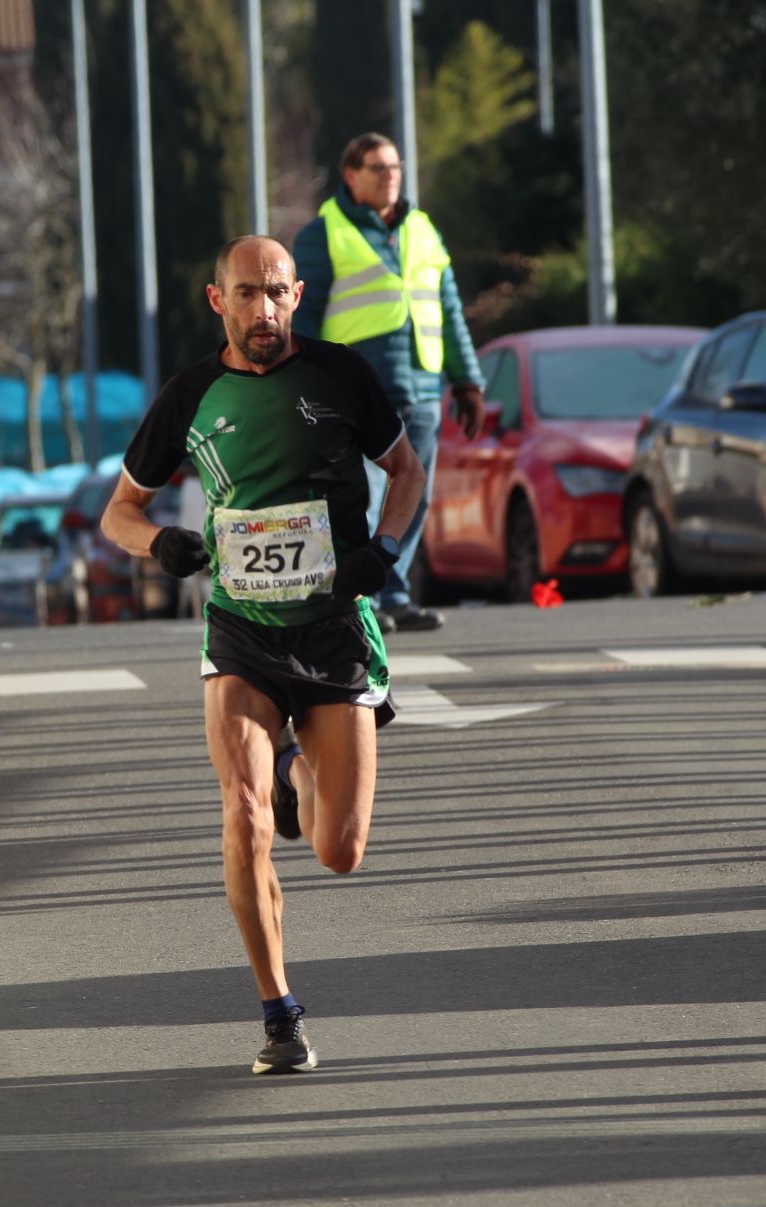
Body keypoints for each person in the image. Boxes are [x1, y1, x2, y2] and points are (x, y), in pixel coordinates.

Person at [102, 235, 426, 1075]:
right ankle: (279, 1013)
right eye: (247, 294)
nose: (264, 311)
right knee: (242, 814)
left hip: (335, 626)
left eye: (277, 293)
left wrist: (383, 551)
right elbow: (119, 512)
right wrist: (160, 545)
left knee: (338, 850)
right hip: (241, 628)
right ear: (219, 302)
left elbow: (407, 471)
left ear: (298, 294)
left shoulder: (341, 373)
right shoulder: (191, 394)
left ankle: (296, 777)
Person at [292, 131, 485, 633]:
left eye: (395, 166)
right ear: (351, 176)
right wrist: (300, 383)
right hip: (357, 393)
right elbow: (303, 316)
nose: (390, 175)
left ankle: (393, 593)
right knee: (366, 498)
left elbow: (448, 310)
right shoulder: (324, 233)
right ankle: (361, 599)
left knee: (412, 496)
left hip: (422, 386)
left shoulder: (421, 228)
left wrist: (467, 382)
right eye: (378, 168)